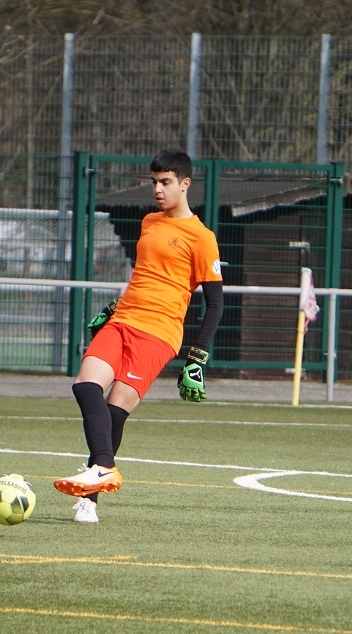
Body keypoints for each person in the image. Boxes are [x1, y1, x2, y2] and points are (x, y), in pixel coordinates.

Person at [53, 149, 224, 523]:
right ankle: (103, 467)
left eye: (166, 182)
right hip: (123, 321)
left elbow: (215, 304)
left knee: (115, 411)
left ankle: (90, 500)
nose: (158, 189)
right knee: (85, 387)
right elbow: (147, 275)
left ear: (185, 184)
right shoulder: (149, 222)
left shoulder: (202, 238)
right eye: (154, 182)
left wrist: (197, 358)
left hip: (158, 333)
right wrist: (115, 306)